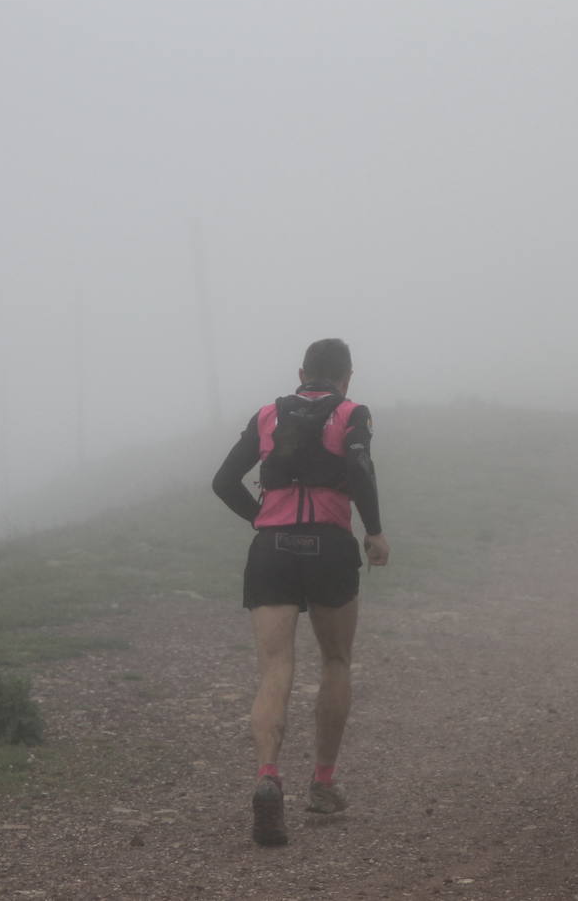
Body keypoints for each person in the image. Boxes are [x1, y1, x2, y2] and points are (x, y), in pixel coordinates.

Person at [211, 338, 390, 846]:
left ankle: (268, 776)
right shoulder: (353, 412)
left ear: (301, 372)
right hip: (330, 547)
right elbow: (358, 467)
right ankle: (323, 783)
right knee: (335, 660)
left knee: (275, 667)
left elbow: (224, 480)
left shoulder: (268, 414)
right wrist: (373, 530)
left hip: (272, 549)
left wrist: (263, 519)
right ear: (346, 377)